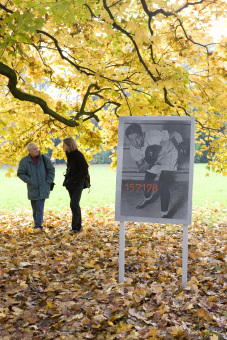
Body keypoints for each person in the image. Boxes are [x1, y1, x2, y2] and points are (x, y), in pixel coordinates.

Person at [125, 123, 187, 218]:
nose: (135, 142)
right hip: (154, 160)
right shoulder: (133, 149)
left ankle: (164, 214)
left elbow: (175, 133)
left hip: (169, 155)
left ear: (142, 134)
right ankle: (147, 199)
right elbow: (141, 168)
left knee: (162, 184)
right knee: (147, 181)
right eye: (131, 140)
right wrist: (149, 160)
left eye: (137, 137)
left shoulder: (154, 135)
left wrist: (182, 144)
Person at [17, 142, 55, 230]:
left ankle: (38, 226)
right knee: (35, 208)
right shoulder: (24, 161)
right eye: (35, 149)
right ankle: (37, 224)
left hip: (43, 187)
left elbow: (51, 170)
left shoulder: (44, 159)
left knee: (39, 207)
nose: (37, 150)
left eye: (37, 148)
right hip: (32, 188)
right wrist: (30, 180)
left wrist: (48, 181)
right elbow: (20, 173)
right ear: (30, 151)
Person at [62, 137, 89, 233]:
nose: (63, 146)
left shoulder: (78, 155)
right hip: (71, 184)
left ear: (69, 145)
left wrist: (76, 180)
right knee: (74, 205)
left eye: (64, 144)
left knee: (74, 204)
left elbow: (85, 170)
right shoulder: (69, 154)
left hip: (77, 184)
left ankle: (75, 228)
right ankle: (77, 226)